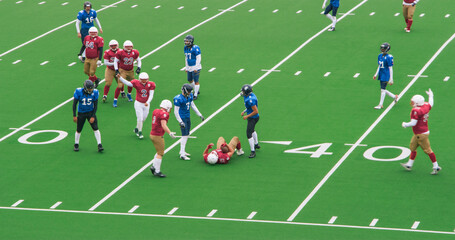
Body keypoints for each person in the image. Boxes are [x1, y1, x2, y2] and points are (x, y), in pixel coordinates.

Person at [401, 89, 441, 175]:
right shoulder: (425, 106)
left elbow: (413, 123)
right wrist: (431, 96)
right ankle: (409, 164)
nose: (412, 103)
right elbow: (431, 104)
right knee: (412, 147)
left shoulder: (416, 110)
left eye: (413, 102)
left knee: (428, 150)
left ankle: (436, 166)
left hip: (421, 134)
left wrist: (405, 124)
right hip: (420, 133)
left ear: (417, 103)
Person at [117, 72, 155, 139]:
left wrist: (148, 102)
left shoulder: (151, 84)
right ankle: (140, 132)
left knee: (143, 119)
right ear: (140, 79)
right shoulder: (136, 83)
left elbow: (151, 95)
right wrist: (120, 78)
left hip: (146, 104)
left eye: (145, 79)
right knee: (139, 118)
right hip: (138, 103)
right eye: (143, 79)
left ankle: (136, 128)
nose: (144, 81)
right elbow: (128, 83)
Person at [173, 83, 204, 160]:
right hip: (182, 118)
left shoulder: (189, 96)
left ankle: (182, 151)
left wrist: (199, 114)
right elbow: (175, 112)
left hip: (187, 117)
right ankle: (182, 154)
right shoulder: (178, 98)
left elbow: (193, 105)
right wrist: (180, 121)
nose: (190, 93)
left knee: (187, 134)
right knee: (184, 135)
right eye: (189, 91)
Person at [73, 80, 103, 152]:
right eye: (89, 88)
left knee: (95, 128)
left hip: (90, 112)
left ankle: (99, 144)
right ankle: (76, 144)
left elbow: (95, 106)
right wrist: (74, 115)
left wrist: (93, 116)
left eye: (91, 88)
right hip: (81, 113)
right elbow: (74, 104)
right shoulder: (78, 91)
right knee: (79, 129)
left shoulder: (95, 92)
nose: (91, 90)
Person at [149, 100, 176, 178]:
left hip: (152, 134)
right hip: (157, 135)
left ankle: (154, 166)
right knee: (160, 153)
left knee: (158, 151)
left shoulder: (156, 111)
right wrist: (170, 133)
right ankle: (157, 171)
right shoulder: (164, 114)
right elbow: (163, 125)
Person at [113, 40, 142, 107]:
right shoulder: (120, 52)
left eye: (130, 47)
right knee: (120, 85)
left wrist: (139, 67)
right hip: (122, 70)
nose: (129, 48)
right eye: (127, 47)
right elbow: (115, 61)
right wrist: (116, 70)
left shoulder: (135, 52)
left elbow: (138, 60)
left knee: (131, 84)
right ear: (124, 47)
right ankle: (115, 100)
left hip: (130, 70)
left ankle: (129, 94)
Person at [373, 42, 398, 109]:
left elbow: (390, 68)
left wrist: (391, 78)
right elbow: (379, 65)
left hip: (386, 74)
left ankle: (380, 105)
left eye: (383, 49)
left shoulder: (389, 57)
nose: (382, 50)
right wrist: (376, 74)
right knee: (382, 89)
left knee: (383, 90)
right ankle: (394, 97)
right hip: (381, 74)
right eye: (381, 48)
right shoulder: (379, 56)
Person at [240, 84, 260, 158]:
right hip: (252, 117)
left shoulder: (251, 100)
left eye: (243, 91)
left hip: (253, 118)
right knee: (252, 130)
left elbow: (255, 111)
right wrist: (245, 111)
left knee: (248, 134)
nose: (242, 92)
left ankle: (253, 151)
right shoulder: (248, 96)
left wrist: (247, 116)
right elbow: (249, 107)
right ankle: (256, 144)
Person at [184, 35, 202, 100]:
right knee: (189, 79)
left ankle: (195, 94)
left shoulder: (196, 48)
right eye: (185, 41)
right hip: (189, 66)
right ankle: (196, 89)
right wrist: (186, 67)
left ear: (191, 41)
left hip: (195, 66)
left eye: (187, 41)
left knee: (196, 80)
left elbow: (198, 58)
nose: (186, 42)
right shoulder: (185, 48)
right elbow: (186, 58)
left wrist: (196, 67)